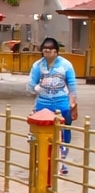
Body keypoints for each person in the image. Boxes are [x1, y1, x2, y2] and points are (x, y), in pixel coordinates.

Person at [28, 37, 78, 176]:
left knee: (64, 132)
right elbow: (31, 84)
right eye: (44, 51)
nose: (46, 54)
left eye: (49, 51)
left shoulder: (66, 65)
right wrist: (39, 88)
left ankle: (62, 161)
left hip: (62, 103)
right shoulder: (38, 65)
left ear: (56, 52)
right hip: (43, 103)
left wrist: (73, 102)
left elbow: (72, 85)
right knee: (39, 132)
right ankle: (41, 160)